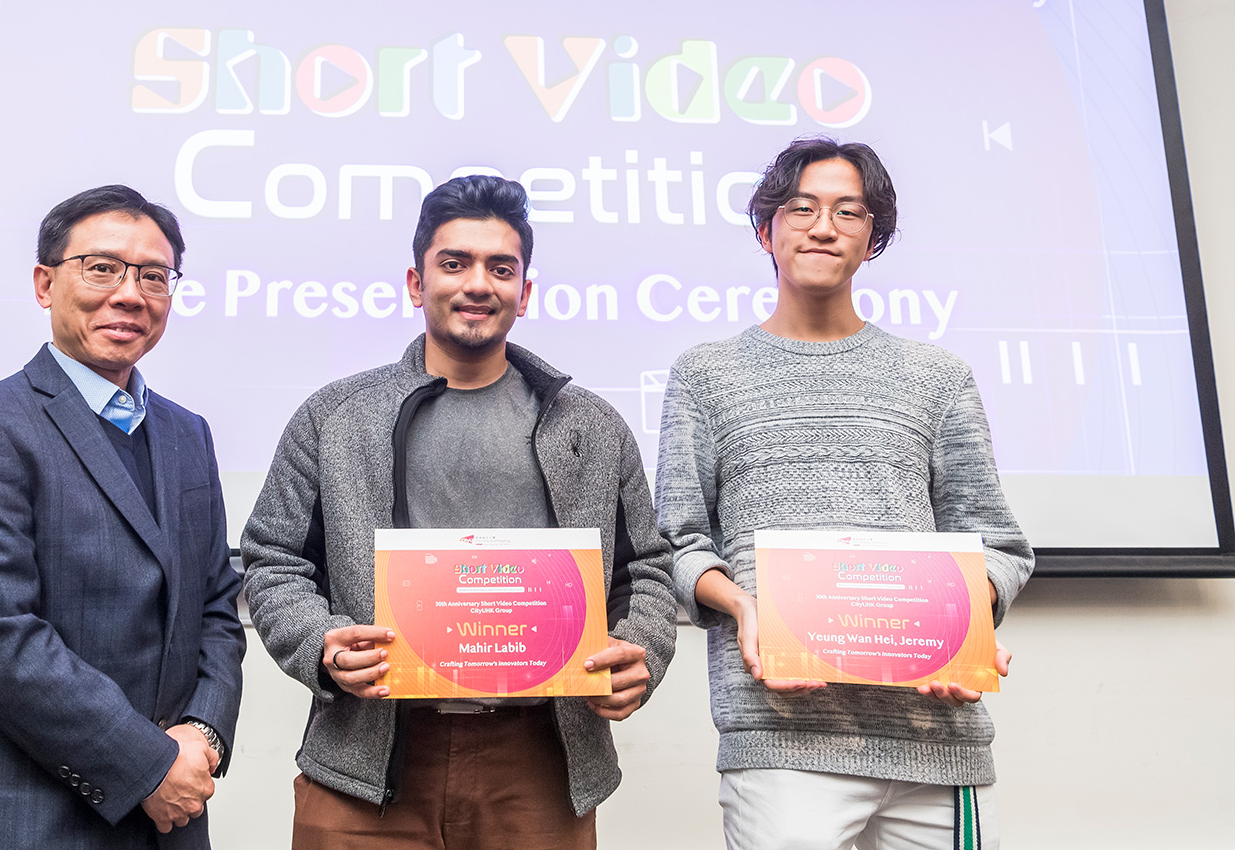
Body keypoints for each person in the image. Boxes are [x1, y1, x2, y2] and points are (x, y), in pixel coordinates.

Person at [240, 175, 676, 850]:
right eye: (454, 263)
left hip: (538, 760)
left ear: (524, 292)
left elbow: (645, 567)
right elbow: (273, 559)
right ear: (417, 284)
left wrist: (639, 649)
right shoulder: (335, 418)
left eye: (501, 268)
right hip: (365, 761)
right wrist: (320, 643)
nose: (478, 284)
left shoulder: (591, 426)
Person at [655, 136, 1034, 850]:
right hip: (780, 735)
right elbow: (677, 540)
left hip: (932, 733)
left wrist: (966, 623)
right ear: (766, 230)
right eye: (801, 208)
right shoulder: (706, 374)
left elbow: (999, 545)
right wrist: (744, 606)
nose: (823, 227)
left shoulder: (937, 377)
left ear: (872, 238)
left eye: (848, 211)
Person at [0, 185, 245, 850]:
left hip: (168, 821)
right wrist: (148, 765)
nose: (130, 294)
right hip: (17, 815)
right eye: (102, 268)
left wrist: (203, 733)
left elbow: (215, 604)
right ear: (45, 284)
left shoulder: (188, 434)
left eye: (153, 276)